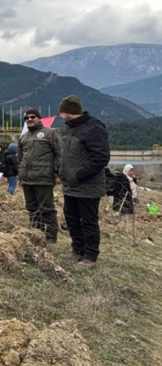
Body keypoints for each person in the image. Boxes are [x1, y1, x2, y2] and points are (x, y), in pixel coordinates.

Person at [59, 95, 110, 267]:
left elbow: (101, 158)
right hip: (71, 186)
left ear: (69, 112)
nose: (60, 115)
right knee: (72, 219)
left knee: (88, 221)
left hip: (87, 186)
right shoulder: (71, 129)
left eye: (62, 111)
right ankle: (77, 250)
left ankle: (90, 256)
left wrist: (78, 175)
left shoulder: (93, 128)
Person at [17, 108, 62, 243]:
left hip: (44, 178)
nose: (30, 119)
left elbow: (59, 154)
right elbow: (20, 159)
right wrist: (20, 176)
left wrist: (58, 174)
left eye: (33, 117)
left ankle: (51, 236)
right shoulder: (23, 137)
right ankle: (36, 233)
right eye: (27, 118)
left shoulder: (50, 133)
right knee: (31, 208)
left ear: (39, 118)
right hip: (27, 179)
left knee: (47, 209)